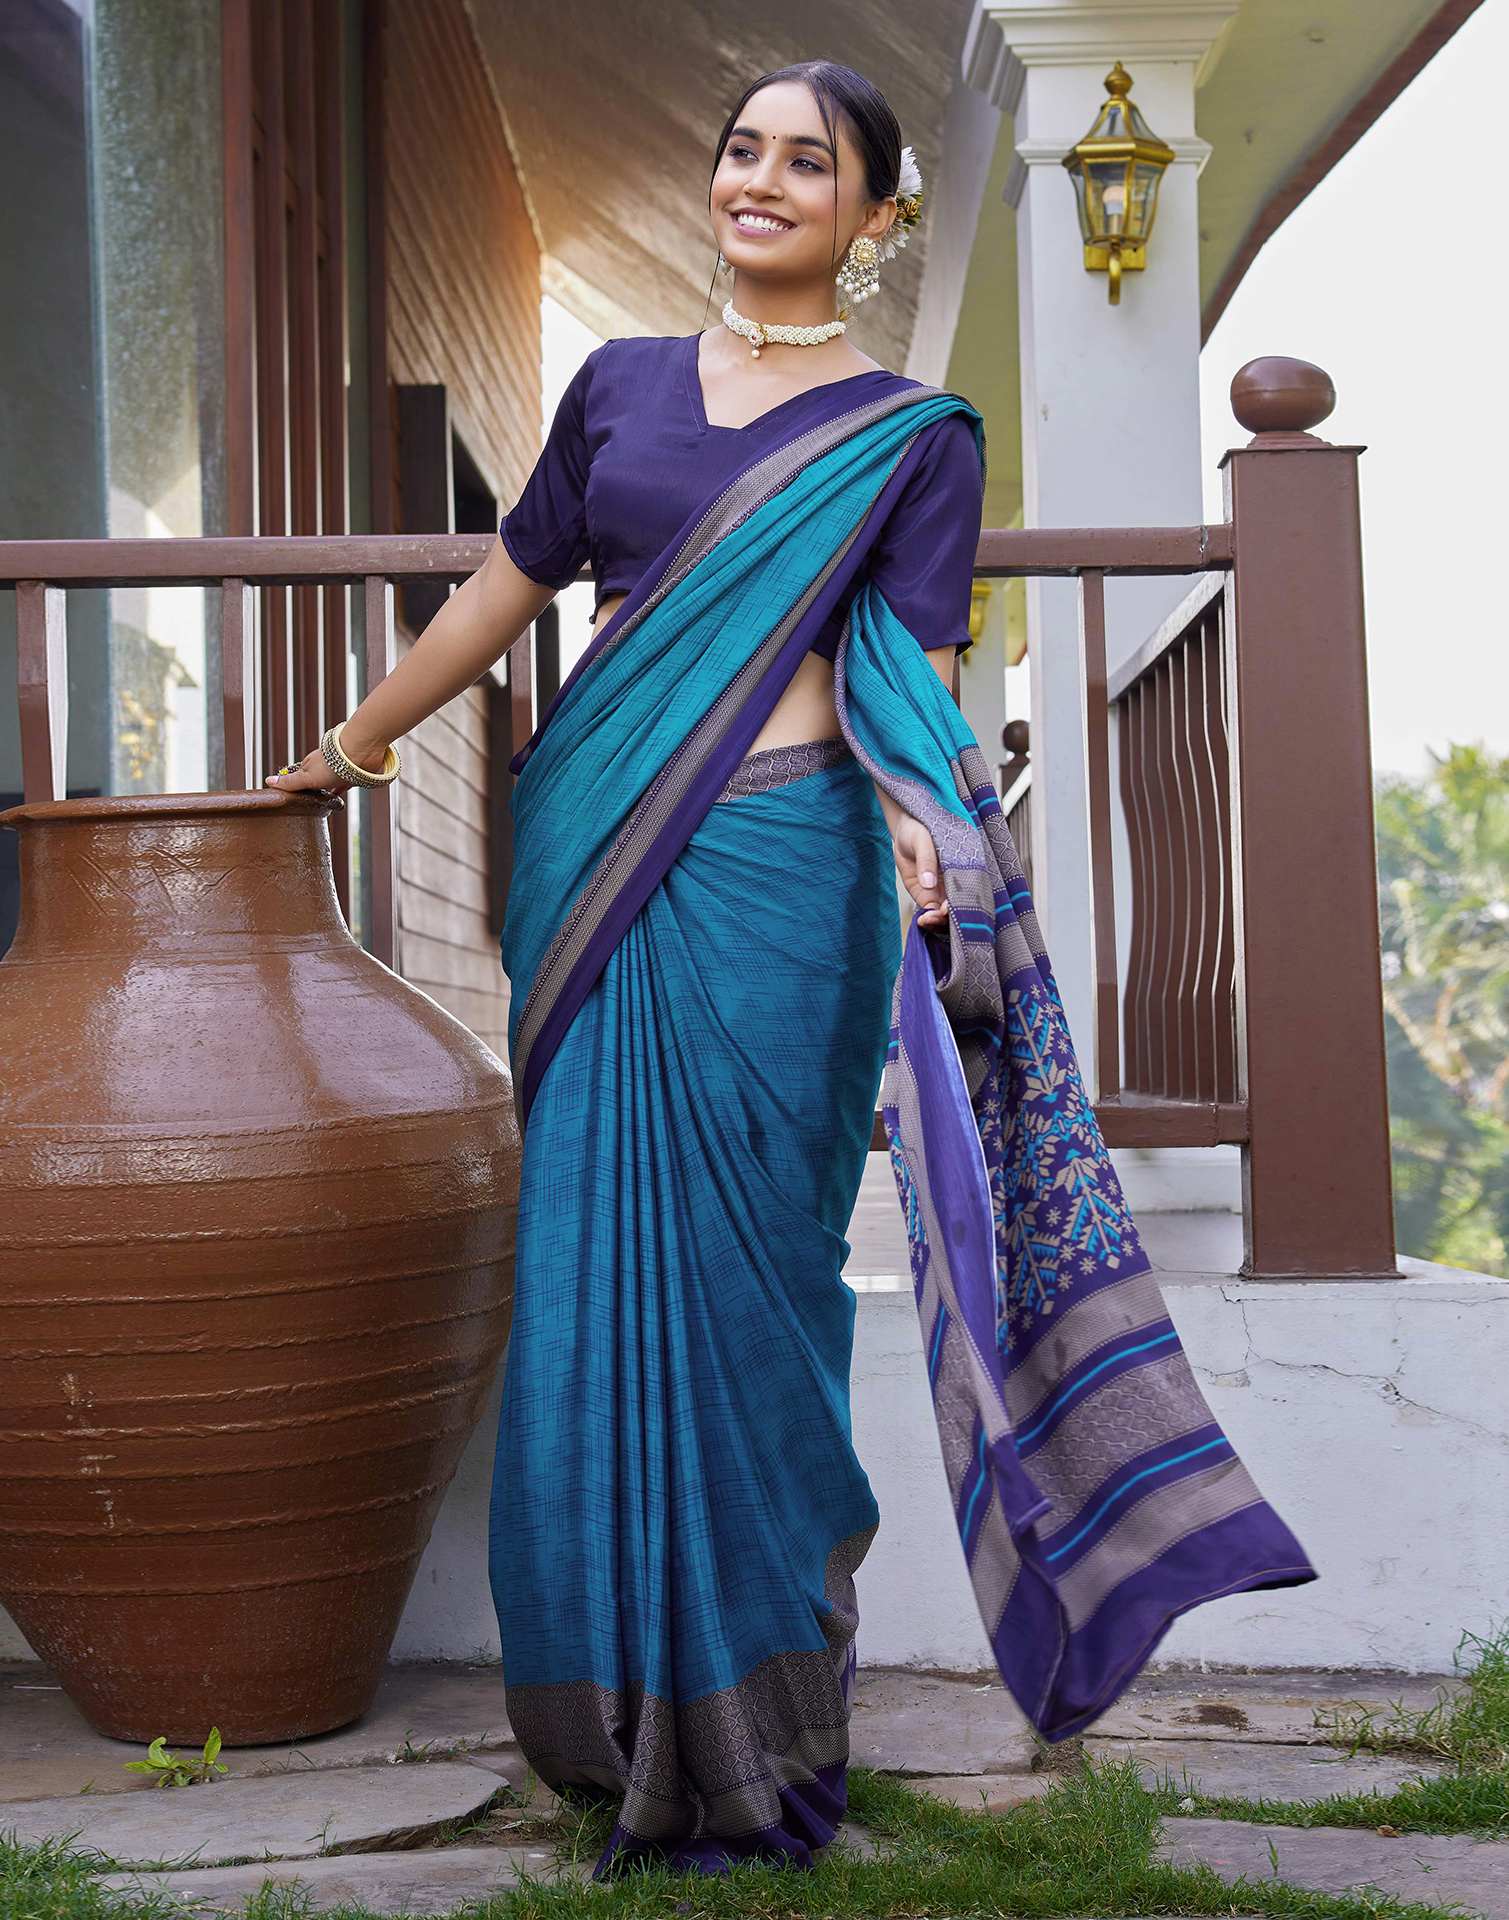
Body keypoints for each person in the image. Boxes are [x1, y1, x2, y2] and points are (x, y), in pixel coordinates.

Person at [267, 59, 1315, 1883]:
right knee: (589, 1266)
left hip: (785, 872)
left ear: (874, 213)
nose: (759, 179)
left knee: (757, 1285)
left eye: (805, 162)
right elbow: (505, 590)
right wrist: (346, 750)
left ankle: (758, 1724)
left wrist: (922, 824)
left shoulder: (911, 434)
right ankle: (608, 1719)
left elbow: (912, 663)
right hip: (595, 860)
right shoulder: (615, 386)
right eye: (740, 150)